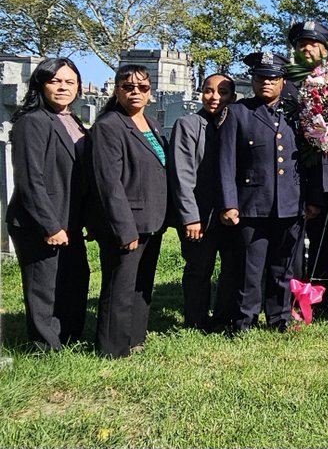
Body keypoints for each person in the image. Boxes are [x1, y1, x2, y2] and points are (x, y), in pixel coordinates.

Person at [219, 51, 312, 333]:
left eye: (272, 78)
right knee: (250, 267)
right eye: (261, 78)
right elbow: (226, 161)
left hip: (290, 203)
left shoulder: (297, 113)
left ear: (283, 81)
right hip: (252, 204)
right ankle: (244, 320)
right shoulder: (238, 112)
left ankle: (279, 318)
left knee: (284, 266)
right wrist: (229, 203)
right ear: (253, 80)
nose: (266, 83)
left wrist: (311, 199)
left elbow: (307, 160)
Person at [6, 57, 90, 351]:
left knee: (74, 279)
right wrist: (49, 225)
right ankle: (45, 346)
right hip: (40, 221)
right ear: (41, 84)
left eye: (70, 82)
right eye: (55, 81)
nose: (63, 87)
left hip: (70, 219)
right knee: (44, 285)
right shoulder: (32, 121)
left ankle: (69, 337)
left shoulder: (72, 120)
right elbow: (30, 179)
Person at [88, 64, 169, 358]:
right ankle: (112, 348)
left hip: (151, 219)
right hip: (128, 222)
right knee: (119, 286)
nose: (136, 92)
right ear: (117, 90)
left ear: (150, 92)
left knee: (141, 284)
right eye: (128, 86)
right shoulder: (109, 126)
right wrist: (124, 228)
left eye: (142, 87)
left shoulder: (150, 123)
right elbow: (108, 183)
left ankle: (135, 338)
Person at [285, 20, 328, 308]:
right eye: (302, 44)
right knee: (292, 237)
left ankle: (322, 293)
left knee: (325, 236)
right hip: (291, 173)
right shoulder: (284, 83)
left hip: (327, 175)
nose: (307, 49)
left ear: (326, 50)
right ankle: (291, 294)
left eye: (314, 44)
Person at [168, 72, 236, 331]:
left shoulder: (236, 124)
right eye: (208, 91)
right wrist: (190, 217)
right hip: (200, 214)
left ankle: (223, 317)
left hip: (230, 213)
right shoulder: (188, 125)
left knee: (231, 268)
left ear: (233, 97)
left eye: (223, 92)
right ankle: (195, 320)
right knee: (199, 269)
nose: (214, 97)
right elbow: (182, 175)